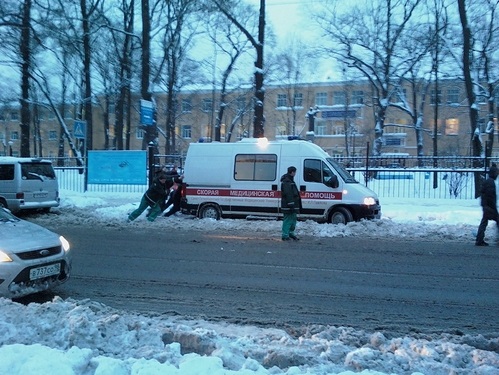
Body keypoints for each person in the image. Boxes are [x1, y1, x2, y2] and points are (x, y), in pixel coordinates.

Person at [475, 163, 499, 246]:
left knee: (484, 222)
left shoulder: (488, 181)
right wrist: (493, 208)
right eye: (496, 173)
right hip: (489, 207)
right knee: (496, 221)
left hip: (486, 206)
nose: (497, 175)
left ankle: (479, 239)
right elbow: (490, 196)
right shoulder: (490, 183)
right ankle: (479, 240)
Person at [280, 166, 302, 241]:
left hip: (292, 204)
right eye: (295, 172)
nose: (295, 173)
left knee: (293, 219)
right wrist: (291, 203)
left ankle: (290, 233)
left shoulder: (290, 180)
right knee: (288, 219)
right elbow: (288, 193)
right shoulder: (287, 181)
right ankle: (285, 235)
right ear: (292, 172)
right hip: (288, 205)